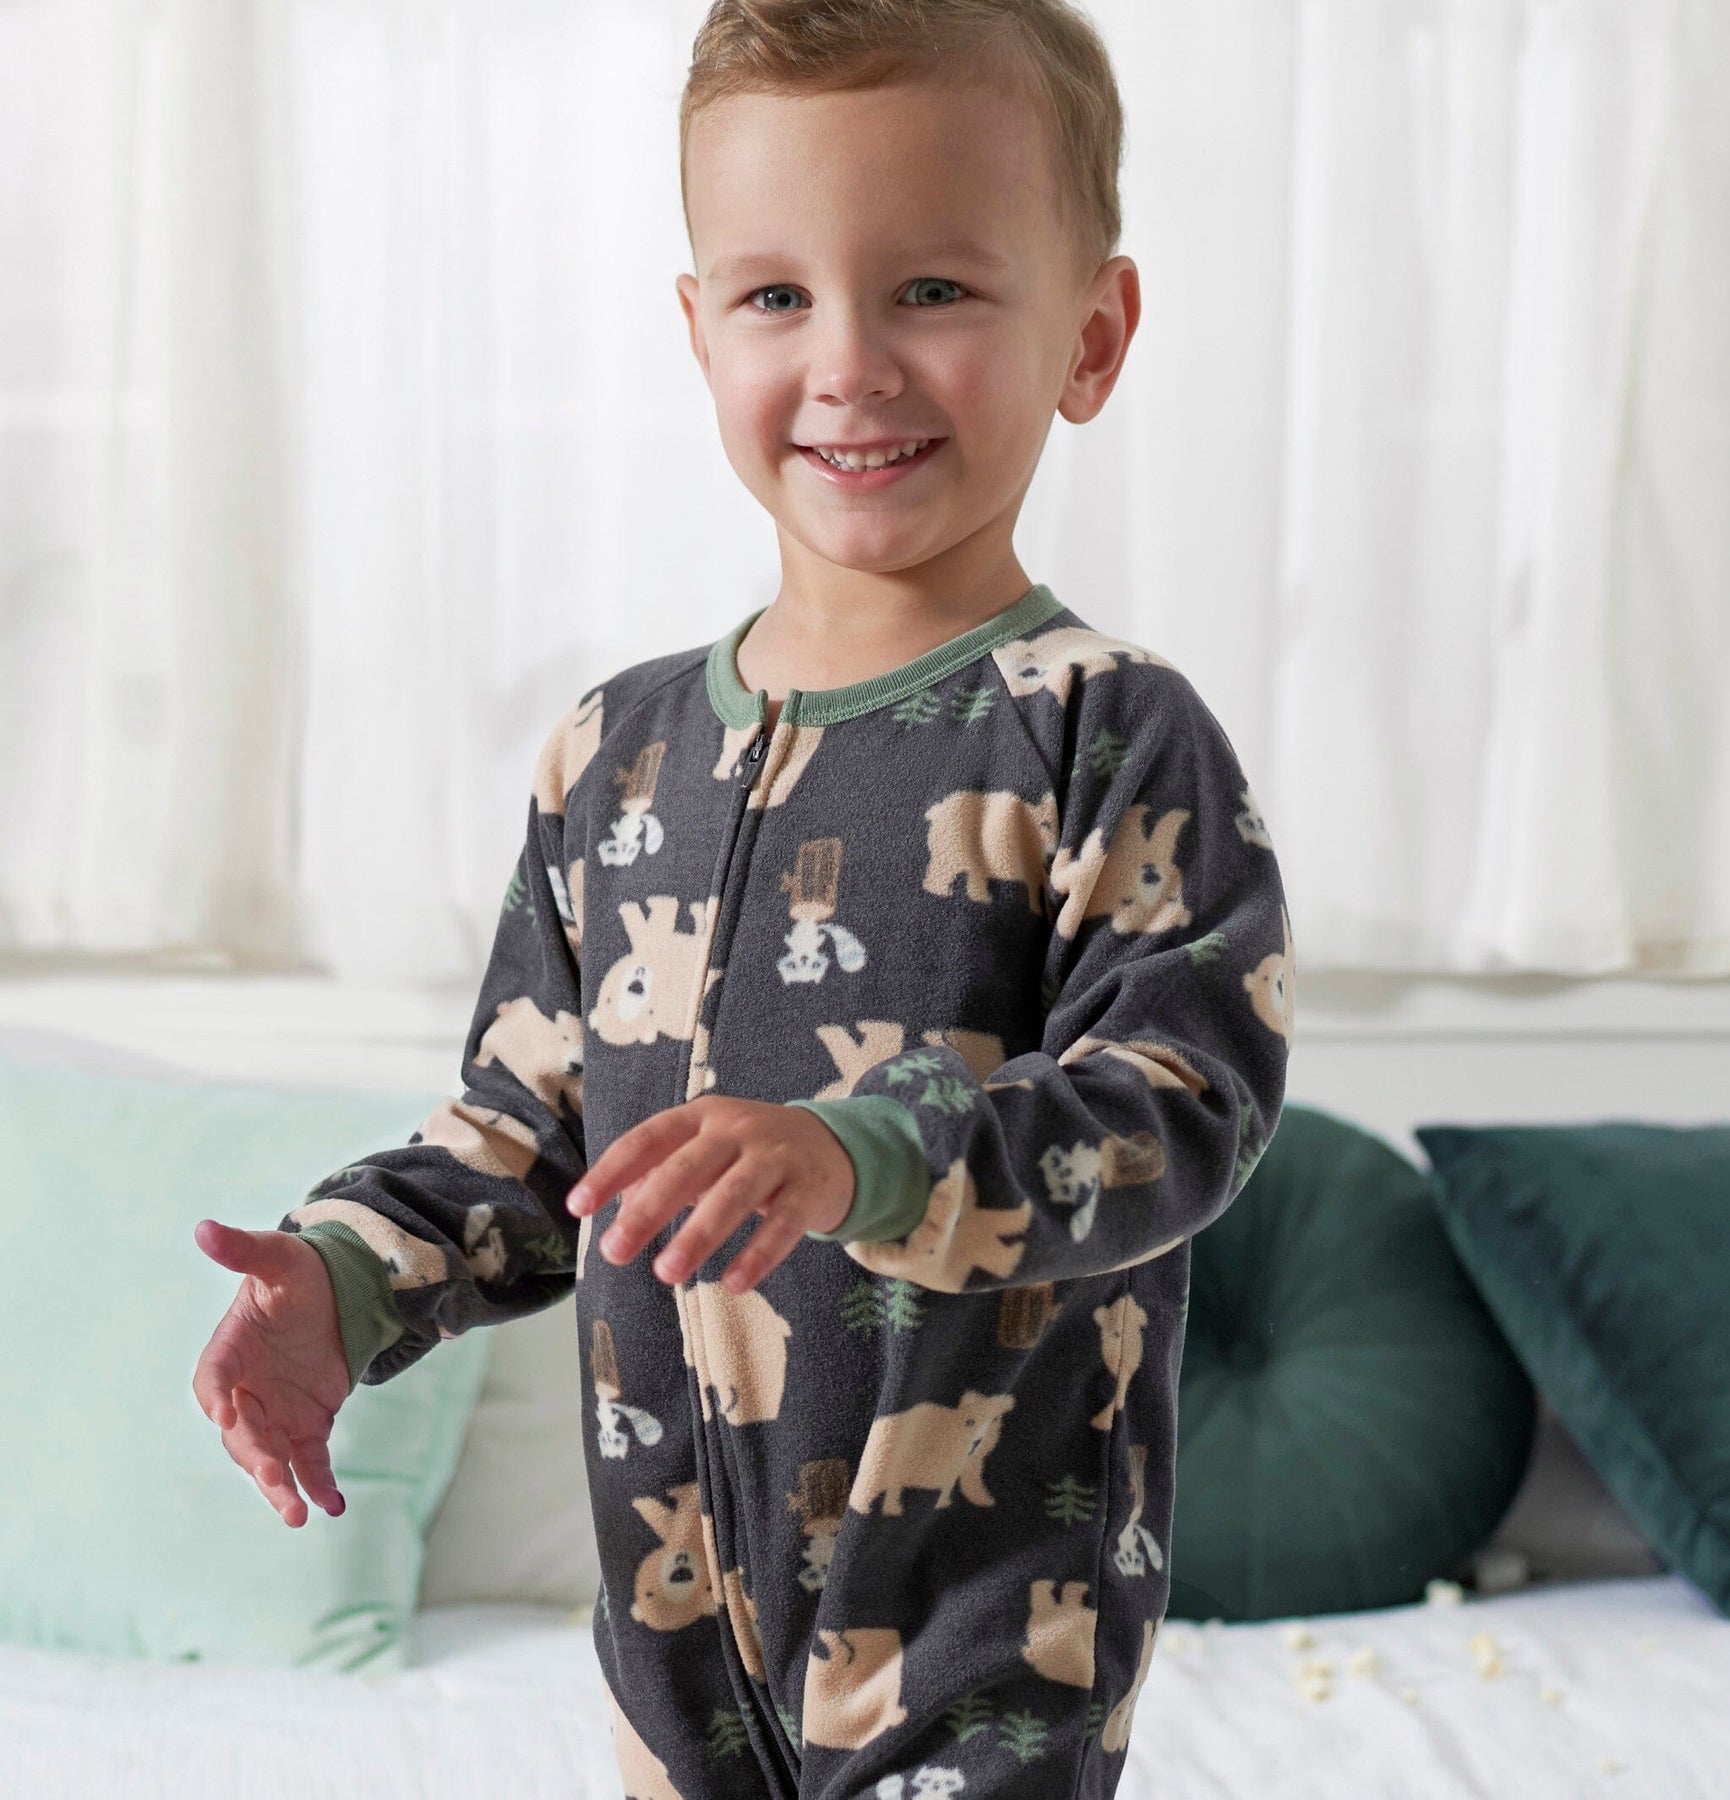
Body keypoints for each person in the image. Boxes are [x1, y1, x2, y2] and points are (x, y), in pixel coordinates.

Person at [191, 2, 1296, 1794]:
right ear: (699, 331)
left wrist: (867, 1154)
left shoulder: (1106, 731)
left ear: (1090, 337)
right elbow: (523, 1146)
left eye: (932, 290)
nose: (850, 363)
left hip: (985, 1628)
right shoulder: (611, 754)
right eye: (779, 296)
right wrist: (342, 1280)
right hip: (672, 1638)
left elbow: (1179, 1109)